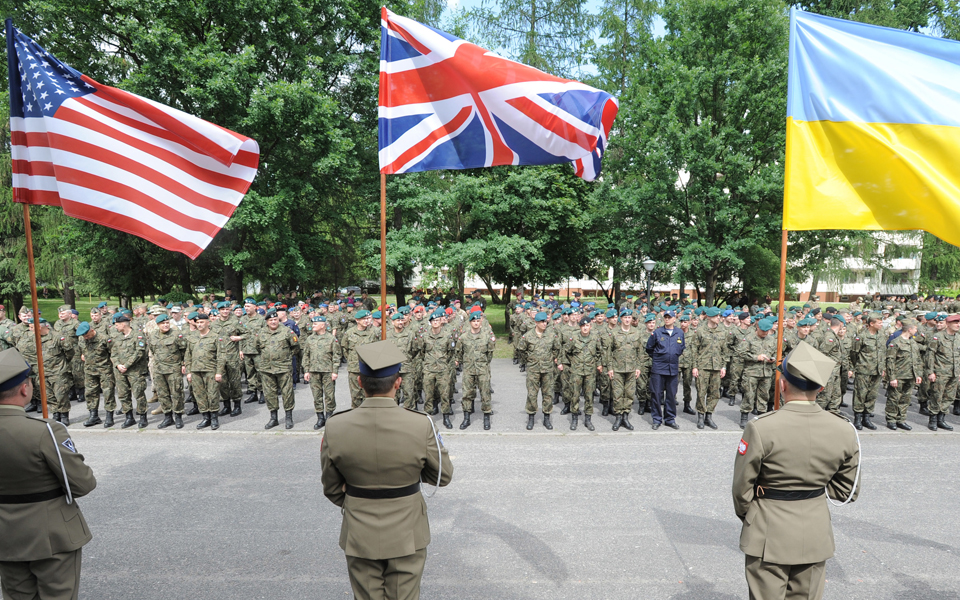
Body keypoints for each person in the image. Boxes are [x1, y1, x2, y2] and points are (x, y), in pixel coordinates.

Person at [320, 340, 453, 600]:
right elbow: (442, 476)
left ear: (360, 382)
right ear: (398, 382)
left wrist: (357, 499)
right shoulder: (421, 424)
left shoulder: (336, 425)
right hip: (407, 528)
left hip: (360, 528)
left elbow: (332, 487)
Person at [732, 341, 860, 600]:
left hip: (768, 528)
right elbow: (846, 492)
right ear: (822, 388)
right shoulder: (844, 429)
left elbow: (741, 488)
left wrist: (752, 515)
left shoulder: (761, 427)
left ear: (782, 384)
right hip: (814, 529)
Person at [0, 347, 98, 600]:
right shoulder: (45, 431)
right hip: (51, 533)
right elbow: (82, 483)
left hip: (4, 535)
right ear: (24, 388)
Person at [645, 310, 685, 430]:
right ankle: (657, 419)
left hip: (672, 368)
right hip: (659, 368)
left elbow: (681, 348)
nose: (667, 319)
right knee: (656, 394)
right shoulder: (657, 333)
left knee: (671, 395)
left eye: (669, 317)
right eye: (665, 317)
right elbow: (649, 348)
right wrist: (659, 358)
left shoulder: (679, 333)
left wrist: (673, 355)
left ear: (674, 319)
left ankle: (669, 419)